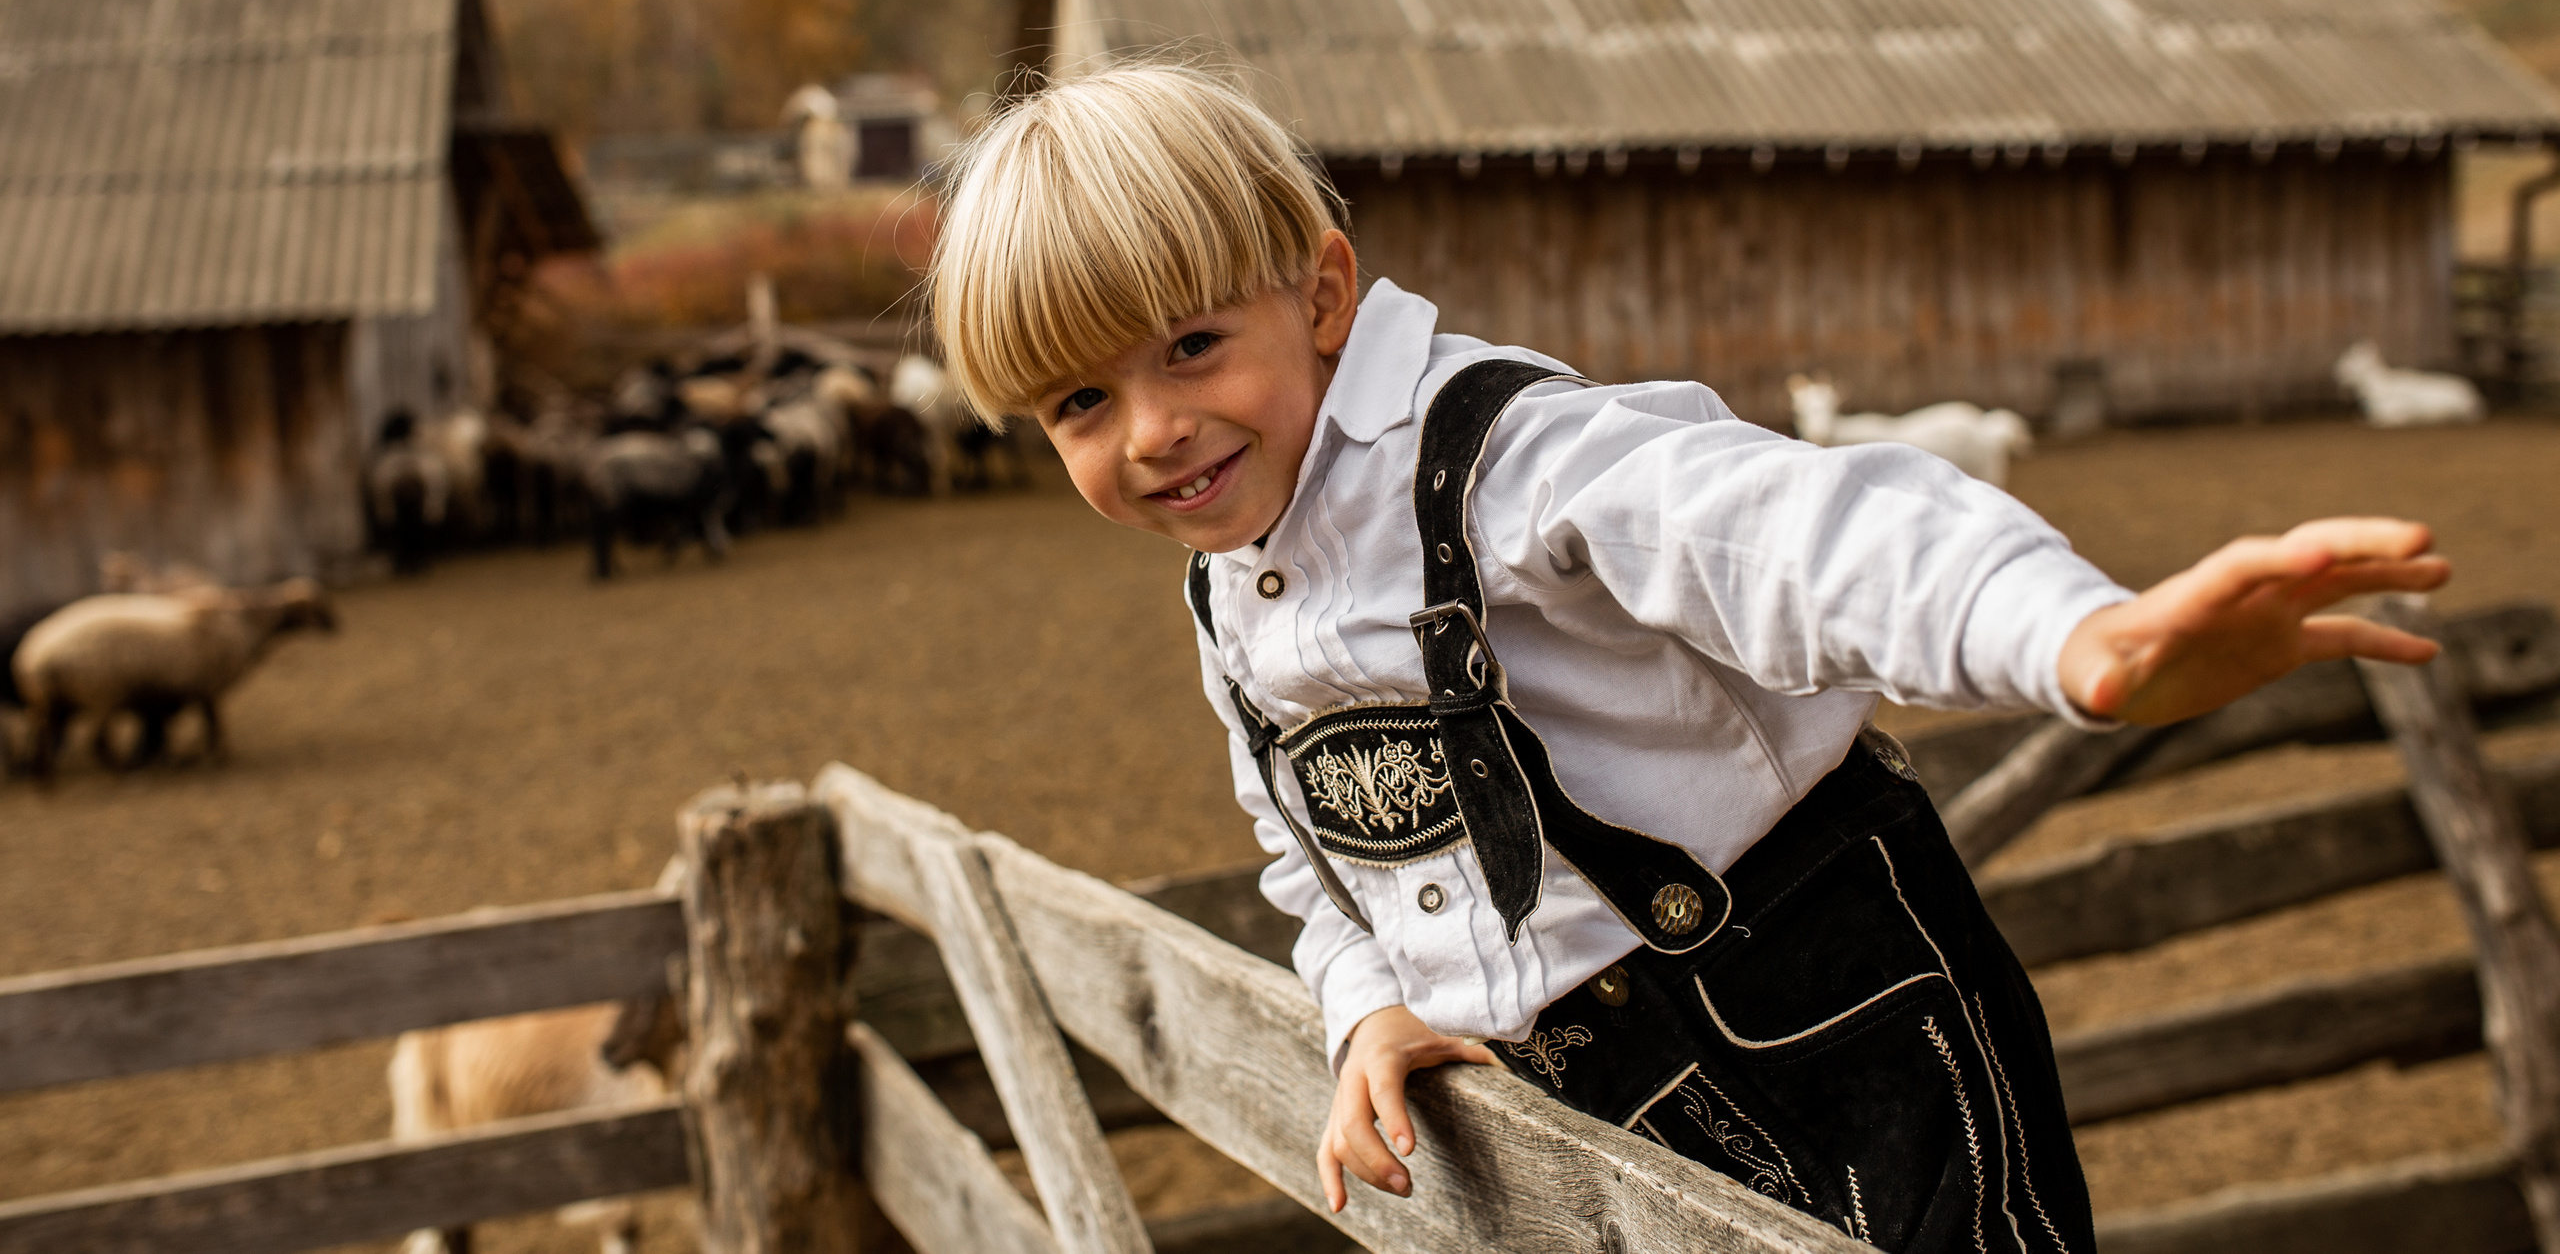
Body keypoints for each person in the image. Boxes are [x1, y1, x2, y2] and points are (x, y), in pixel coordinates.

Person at [926, 64, 2448, 1254]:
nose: (1151, 433)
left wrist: (2073, 637)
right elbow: (1311, 852)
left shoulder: (1505, 457)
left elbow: (1792, 533)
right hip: (1584, 1100)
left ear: (1321, 294)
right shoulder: (1230, 602)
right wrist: (1369, 1003)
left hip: (1834, 1025)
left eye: (1190, 348)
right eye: (1077, 403)